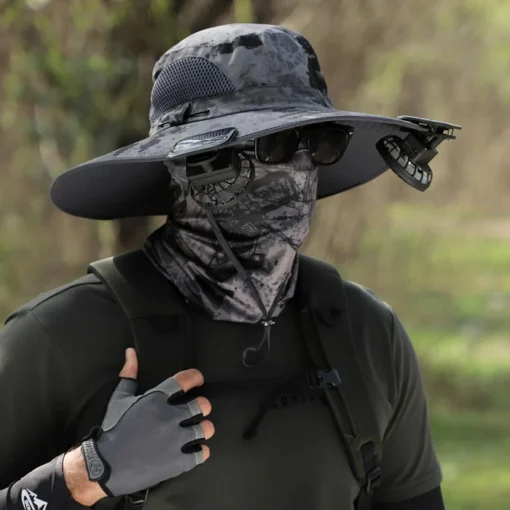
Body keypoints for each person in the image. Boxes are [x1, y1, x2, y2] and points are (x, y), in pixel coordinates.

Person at [0, 23, 455, 510]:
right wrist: (88, 473)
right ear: (192, 166)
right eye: (273, 145)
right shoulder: (60, 337)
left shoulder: (368, 334)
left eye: (321, 142)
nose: (300, 169)